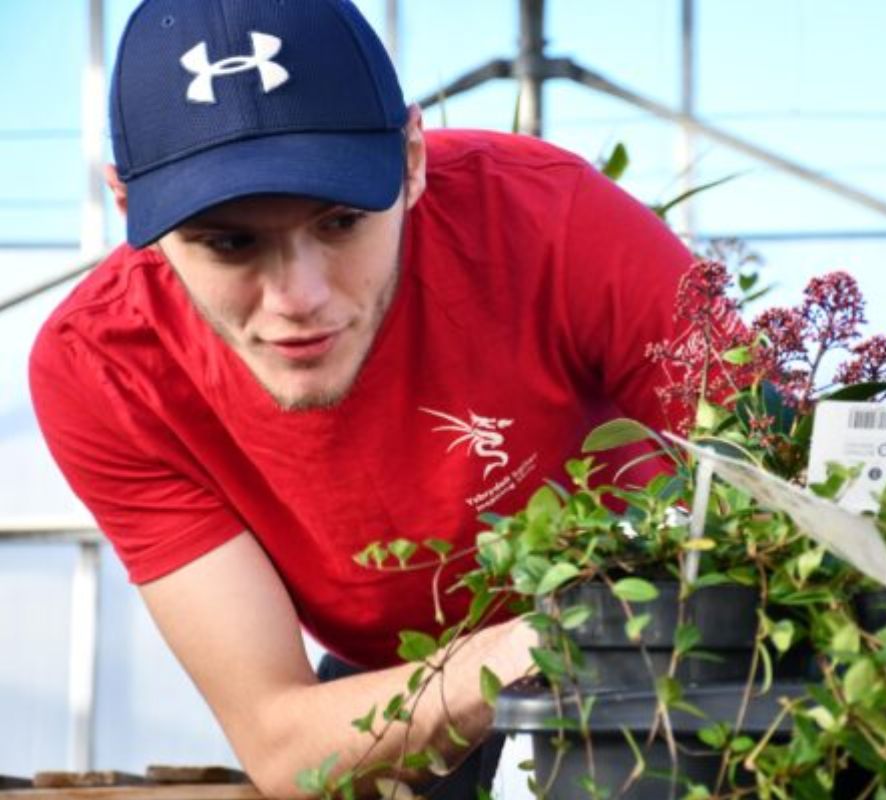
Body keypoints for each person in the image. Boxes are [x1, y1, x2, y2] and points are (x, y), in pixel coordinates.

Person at [29, 0, 692, 797]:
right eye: (230, 242)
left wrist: (619, 631)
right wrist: (547, 643)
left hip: (664, 658)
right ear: (130, 210)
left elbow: (793, 490)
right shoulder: (105, 368)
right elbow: (282, 739)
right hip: (397, 688)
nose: (297, 297)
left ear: (412, 161)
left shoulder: (553, 222)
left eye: (341, 221)